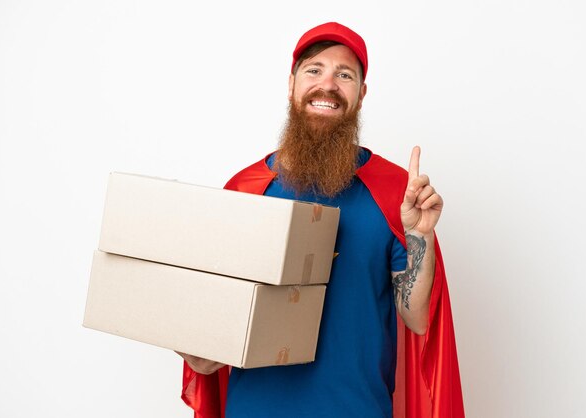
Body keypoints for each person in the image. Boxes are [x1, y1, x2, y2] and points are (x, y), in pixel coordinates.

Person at [177, 22, 464, 418]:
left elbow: (416, 319)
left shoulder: (396, 191)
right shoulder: (246, 190)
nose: (327, 84)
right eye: (314, 70)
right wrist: (189, 340)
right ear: (292, 84)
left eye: (344, 75)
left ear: (361, 95)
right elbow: (207, 353)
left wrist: (420, 234)